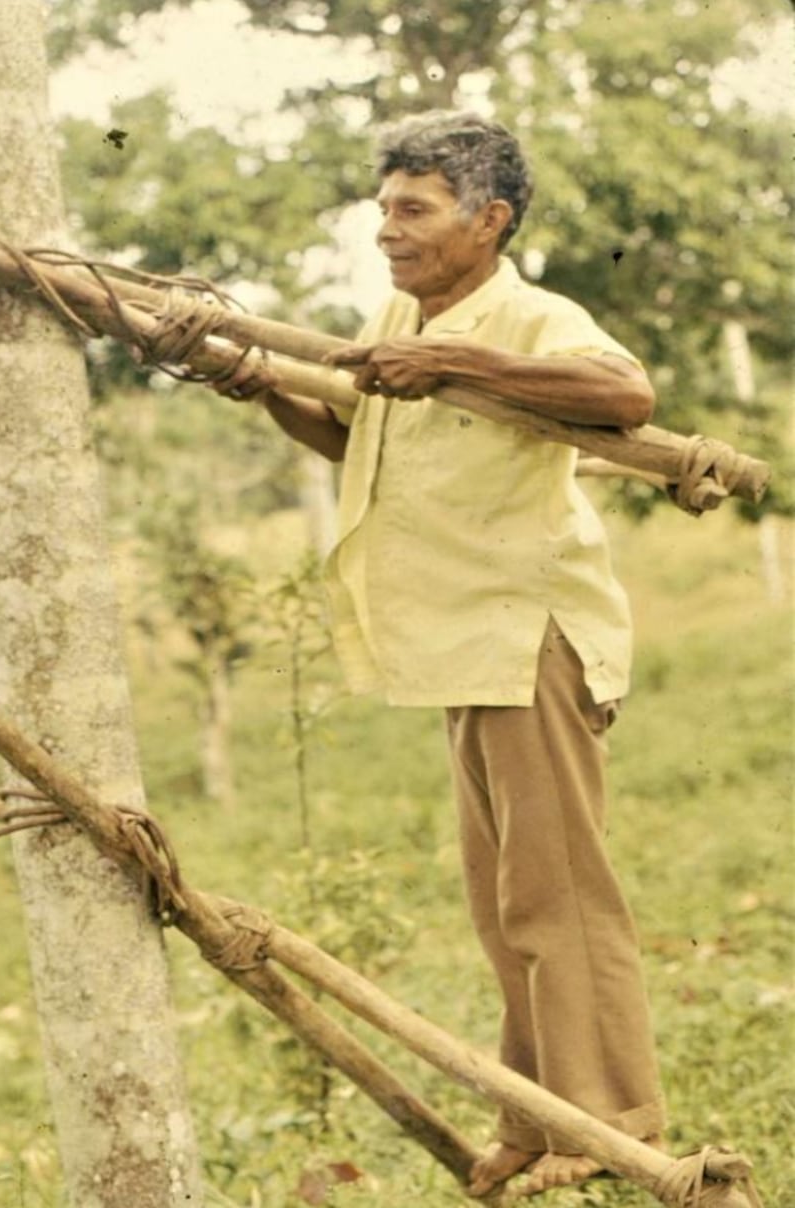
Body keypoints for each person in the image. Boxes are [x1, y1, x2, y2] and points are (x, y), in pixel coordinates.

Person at [216, 110, 666, 1199]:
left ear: (488, 219)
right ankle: (533, 1108)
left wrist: (452, 356)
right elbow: (362, 441)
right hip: (460, 644)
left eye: (412, 209)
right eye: (383, 209)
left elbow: (626, 395)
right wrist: (269, 387)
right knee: (501, 901)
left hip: (528, 633)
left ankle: (610, 1121)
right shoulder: (399, 316)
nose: (387, 230)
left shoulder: (529, 315)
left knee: (555, 895)